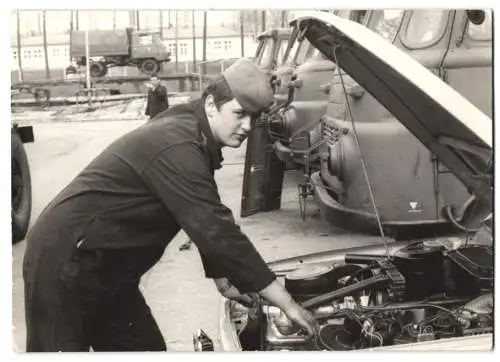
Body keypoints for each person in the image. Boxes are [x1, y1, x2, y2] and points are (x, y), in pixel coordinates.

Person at [22, 58, 318, 352]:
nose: (247, 126)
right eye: (239, 114)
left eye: (254, 118)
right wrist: (287, 303)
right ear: (212, 105)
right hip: (65, 263)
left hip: (109, 269)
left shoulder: (195, 129)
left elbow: (202, 208)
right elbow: (216, 230)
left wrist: (221, 275)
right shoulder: (178, 144)